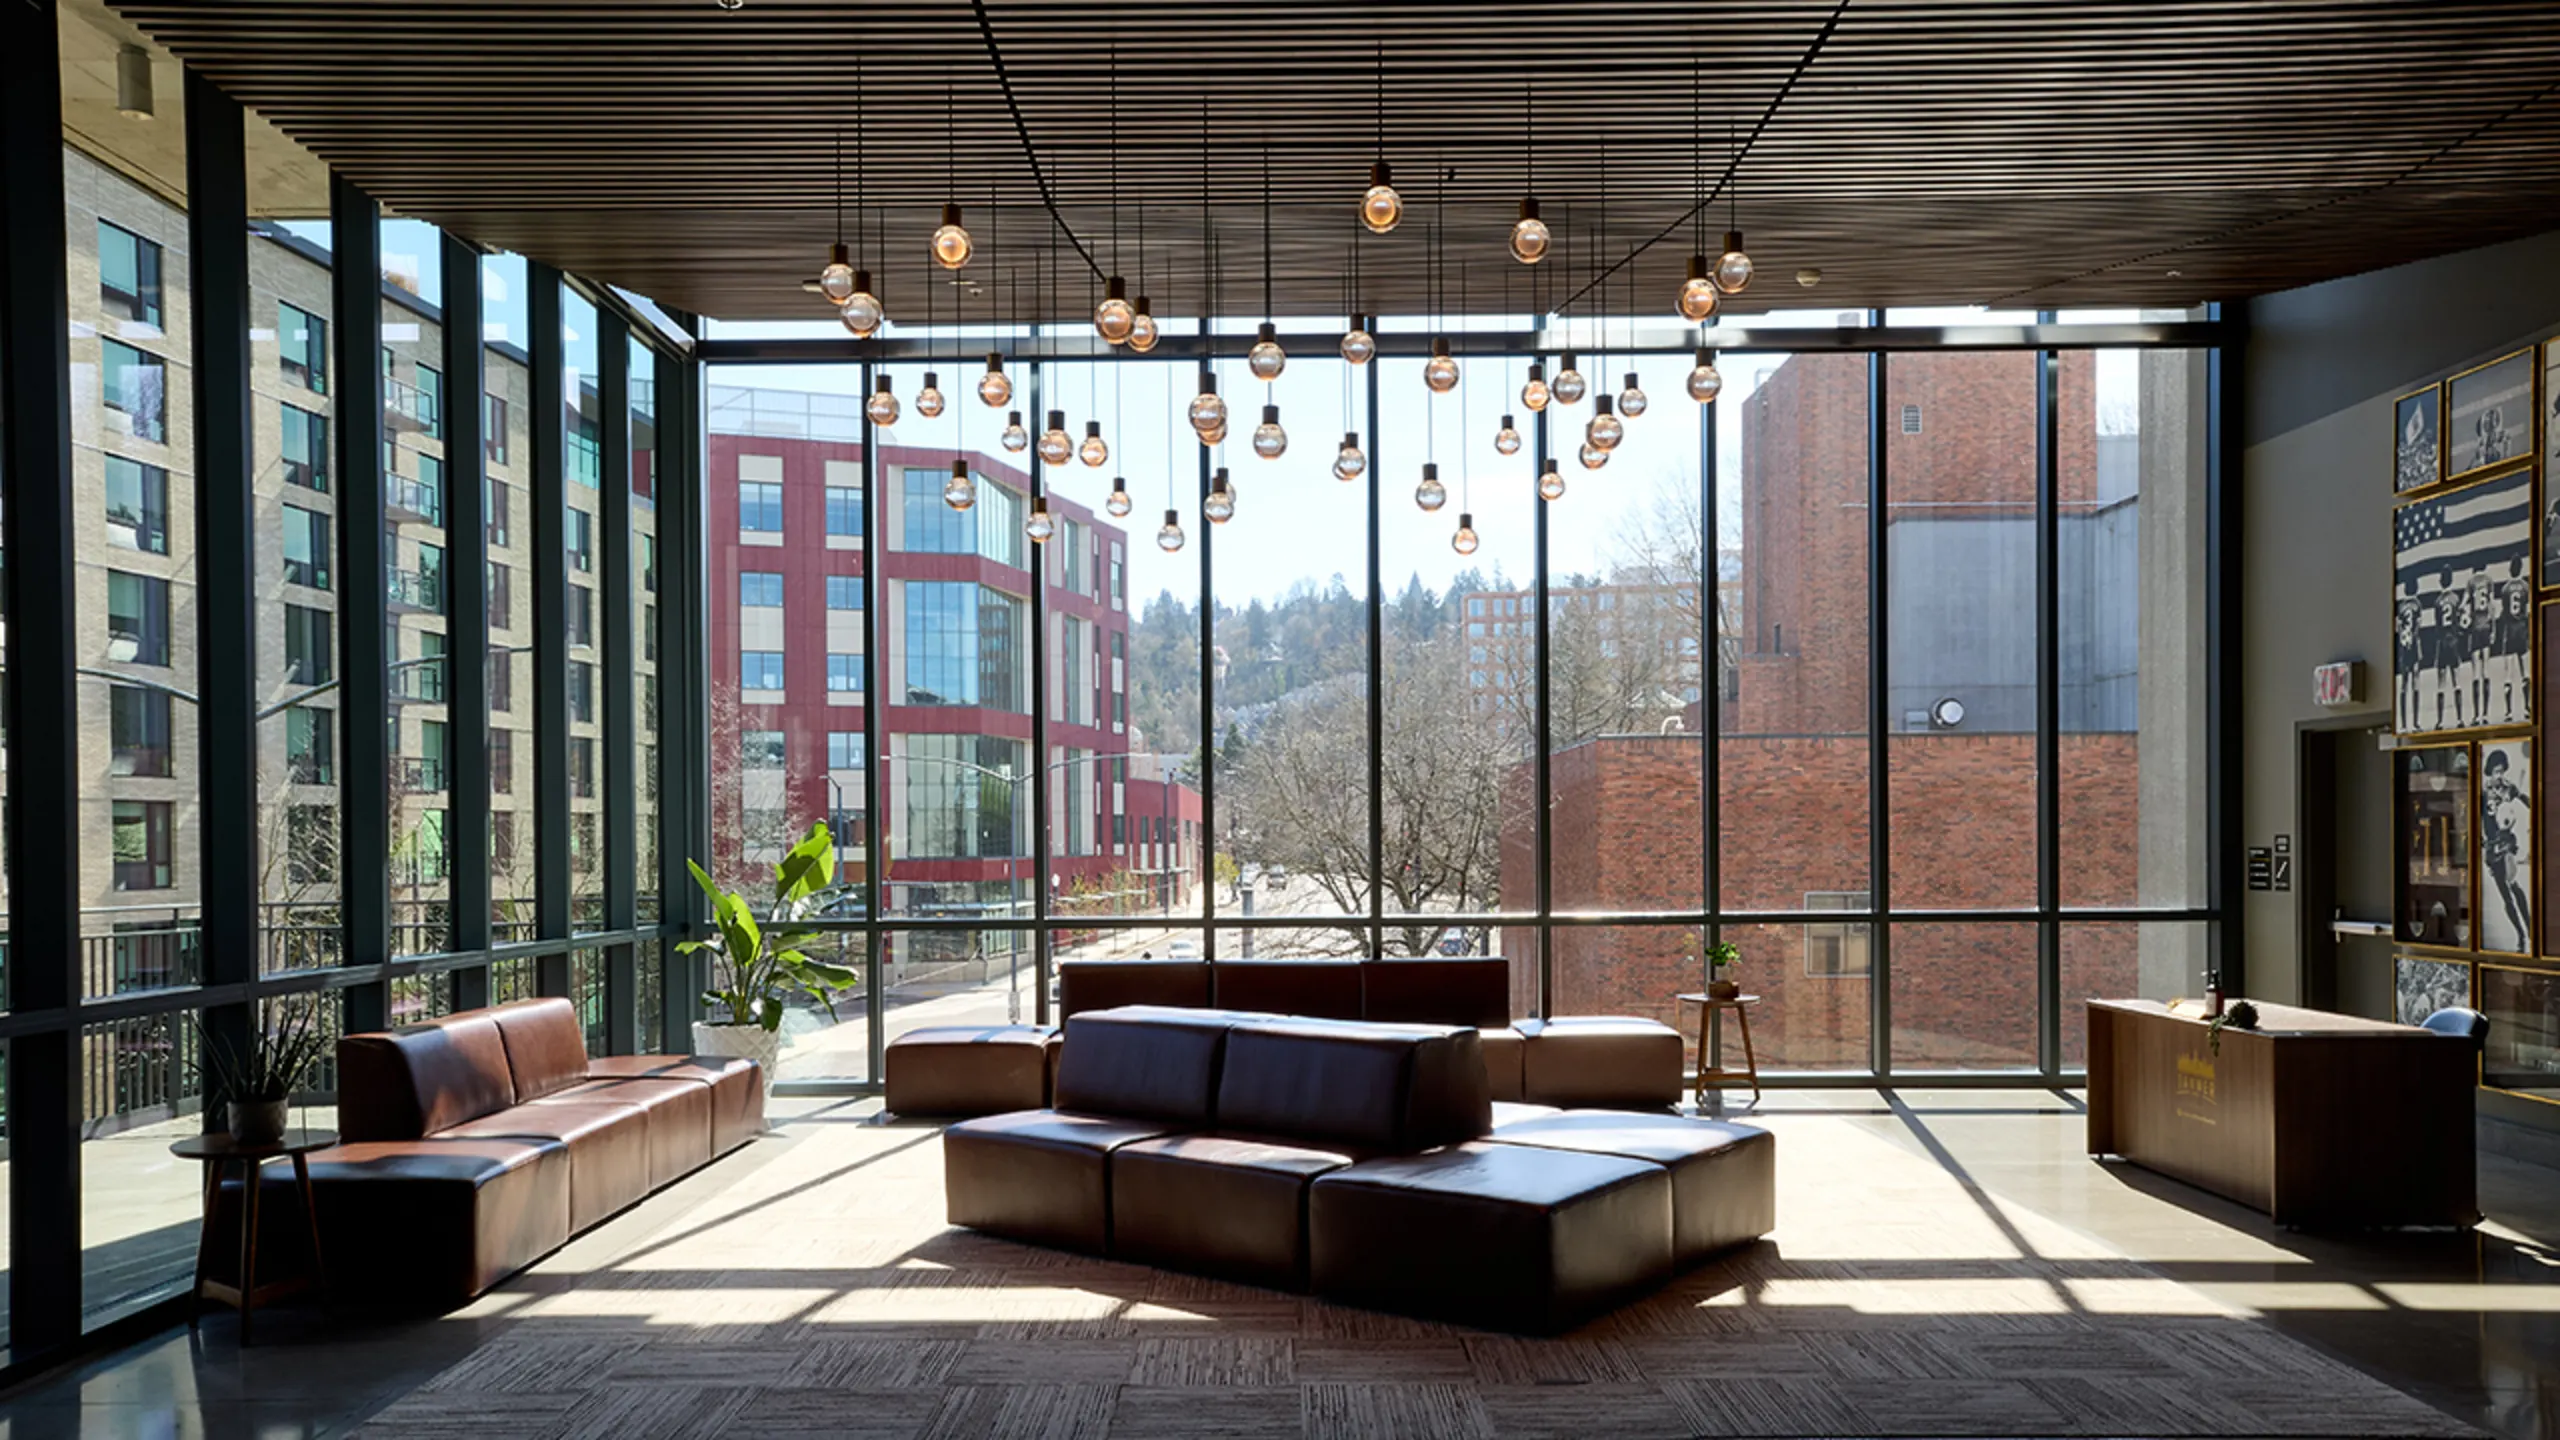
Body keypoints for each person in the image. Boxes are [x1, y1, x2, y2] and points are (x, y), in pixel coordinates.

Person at [2482, 747, 2531, 950]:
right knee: (2506, 896)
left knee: (2514, 885)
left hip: (2507, 844)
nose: (2500, 775)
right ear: (2490, 772)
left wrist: (2521, 796)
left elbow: (2529, 802)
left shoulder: (2508, 788)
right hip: (2492, 848)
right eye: (2496, 771)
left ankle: (2530, 930)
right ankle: (2520, 935)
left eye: (2502, 770)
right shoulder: (2483, 794)